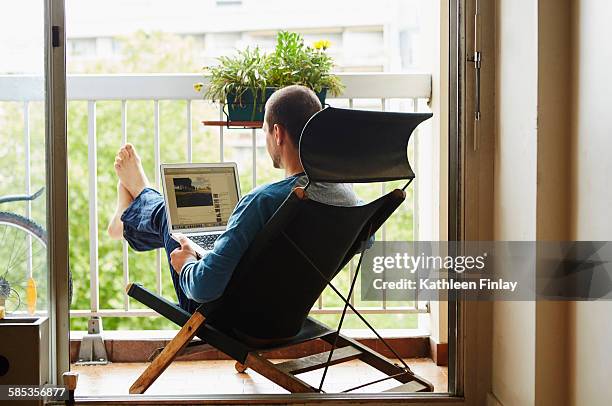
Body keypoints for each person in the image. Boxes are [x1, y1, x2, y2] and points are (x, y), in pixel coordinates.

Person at [107, 85, 360, 313]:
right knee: (189, 228)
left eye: (264, 132)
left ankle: (137, 200)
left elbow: (203, 288)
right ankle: (130, 215)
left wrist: (186, 265)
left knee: (169, 217)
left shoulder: (264, 201)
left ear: (278, 133)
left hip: (228, 315)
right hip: (286, 313)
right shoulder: (348, 198)